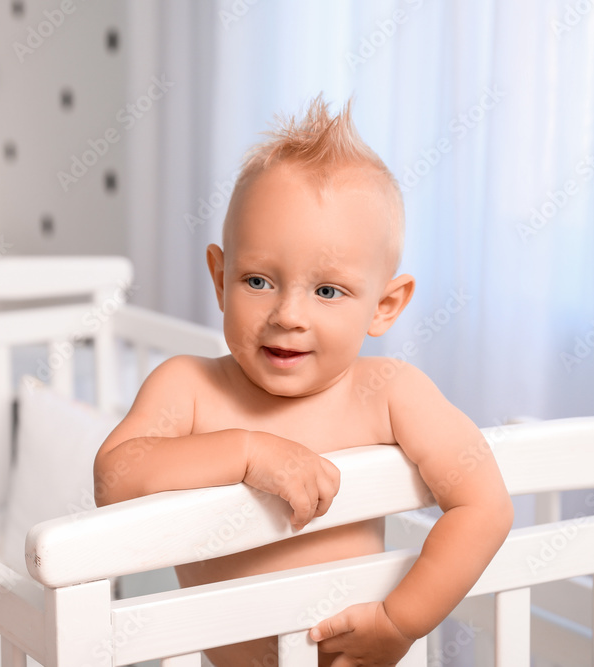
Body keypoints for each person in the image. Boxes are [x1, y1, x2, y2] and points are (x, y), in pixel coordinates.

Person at [93, 94, 514, 667]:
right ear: (220, 278)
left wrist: (398, 622)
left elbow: (483, 506)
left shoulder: (390, 394)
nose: (288, 314)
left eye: (327, 290)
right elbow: (113, 477)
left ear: (385, 306)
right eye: (259, 281)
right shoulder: (188, 387)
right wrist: (244, 452)